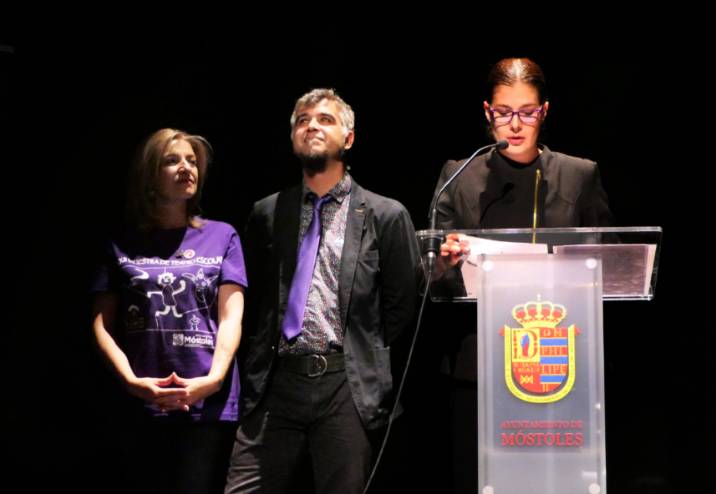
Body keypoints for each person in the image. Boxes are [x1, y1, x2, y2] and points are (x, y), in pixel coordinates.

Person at [224, 88, 420, 494]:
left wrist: (362, 347)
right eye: (303, 120)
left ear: (349, 138)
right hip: (277, 381)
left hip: (344, 383)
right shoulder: (267, 212)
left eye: (325, 119)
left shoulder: (385, 214)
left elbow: (402, 305)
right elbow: (256, 298)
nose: (311, 126)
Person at [431, 57, 612, 493]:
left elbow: (605, 262)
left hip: (561, 361)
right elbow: (427, 273)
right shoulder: (459, 176)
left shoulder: (578, 175)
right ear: (487, 111)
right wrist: (443, 262)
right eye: (503, 112)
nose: (514, 124)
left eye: (527, 112)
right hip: (478, 363)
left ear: (545, 112)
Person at [91, 128, 247, 494]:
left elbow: (231, 317)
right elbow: (101, 325)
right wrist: (131, 382)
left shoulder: (222, 236)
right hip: (140, 402)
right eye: (172, 160)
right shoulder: (121, 242)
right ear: (149, 174)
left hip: (205, 402)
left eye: (192, 161)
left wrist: (214, 380)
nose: (186, 168)